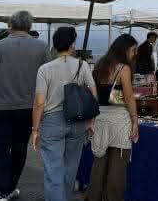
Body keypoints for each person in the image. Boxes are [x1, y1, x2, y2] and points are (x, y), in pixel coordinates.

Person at [0, 10, 50, 201]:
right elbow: (47, 81)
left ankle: (1, 192)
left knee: (0, 150)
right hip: (28, 108)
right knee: (19, 149)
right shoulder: (42, 48)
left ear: (10, 25)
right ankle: (11, 186)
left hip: (1, 107)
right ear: (30, 26)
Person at [31, 26, 96, 201]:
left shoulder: (45, 69)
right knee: (70, 169)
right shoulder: (83, 66)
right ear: (72, 44)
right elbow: (93, 93)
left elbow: (39, 102)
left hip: (52, 121)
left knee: (53, 170)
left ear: (55, 45)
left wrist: (35, 129)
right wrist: (90, 120)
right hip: (77, 120)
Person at [88, 34, 139, 201]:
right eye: (132, 50)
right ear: (125, 50)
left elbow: (94, 95)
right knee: (117, 167)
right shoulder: (123, 69)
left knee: (99, 165)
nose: (134, 54)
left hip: (100, 118)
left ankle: (94, 197)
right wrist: (135, 121)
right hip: (119, 121)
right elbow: (129, 97)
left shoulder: (100, 65)